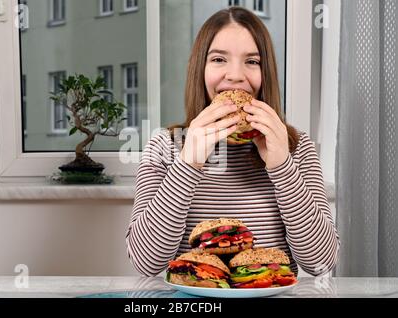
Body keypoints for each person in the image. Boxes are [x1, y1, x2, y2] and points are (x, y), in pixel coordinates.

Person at [126, 7, 340, 277]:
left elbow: (321, 262)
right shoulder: (163, 146)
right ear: (199, 70)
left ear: (266, 74)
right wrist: (187, 164)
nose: (235, 75)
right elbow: (146, 263)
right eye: (218, 59)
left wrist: (282, 167)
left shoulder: (297, 147)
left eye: (252, 61)